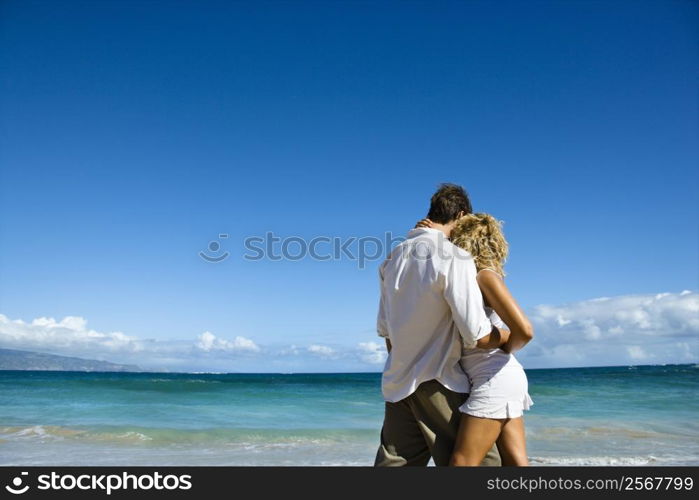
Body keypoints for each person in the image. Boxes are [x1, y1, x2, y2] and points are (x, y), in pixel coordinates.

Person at [373, 184, 506, 467]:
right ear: (460, 215)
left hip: (398, 381)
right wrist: (509, 336)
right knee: (483, 464)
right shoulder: (455, 257)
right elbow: (477, 334)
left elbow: (386, 334)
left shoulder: (392, 258)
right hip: (439, 380)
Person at [416, 213, 534, 466]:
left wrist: (504, 348)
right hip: (495, 376)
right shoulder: (466, 278)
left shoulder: (485, 276)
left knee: (462, 463)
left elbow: (524, 331)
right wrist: (430, 232)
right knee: (515, 462)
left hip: (494, 378)